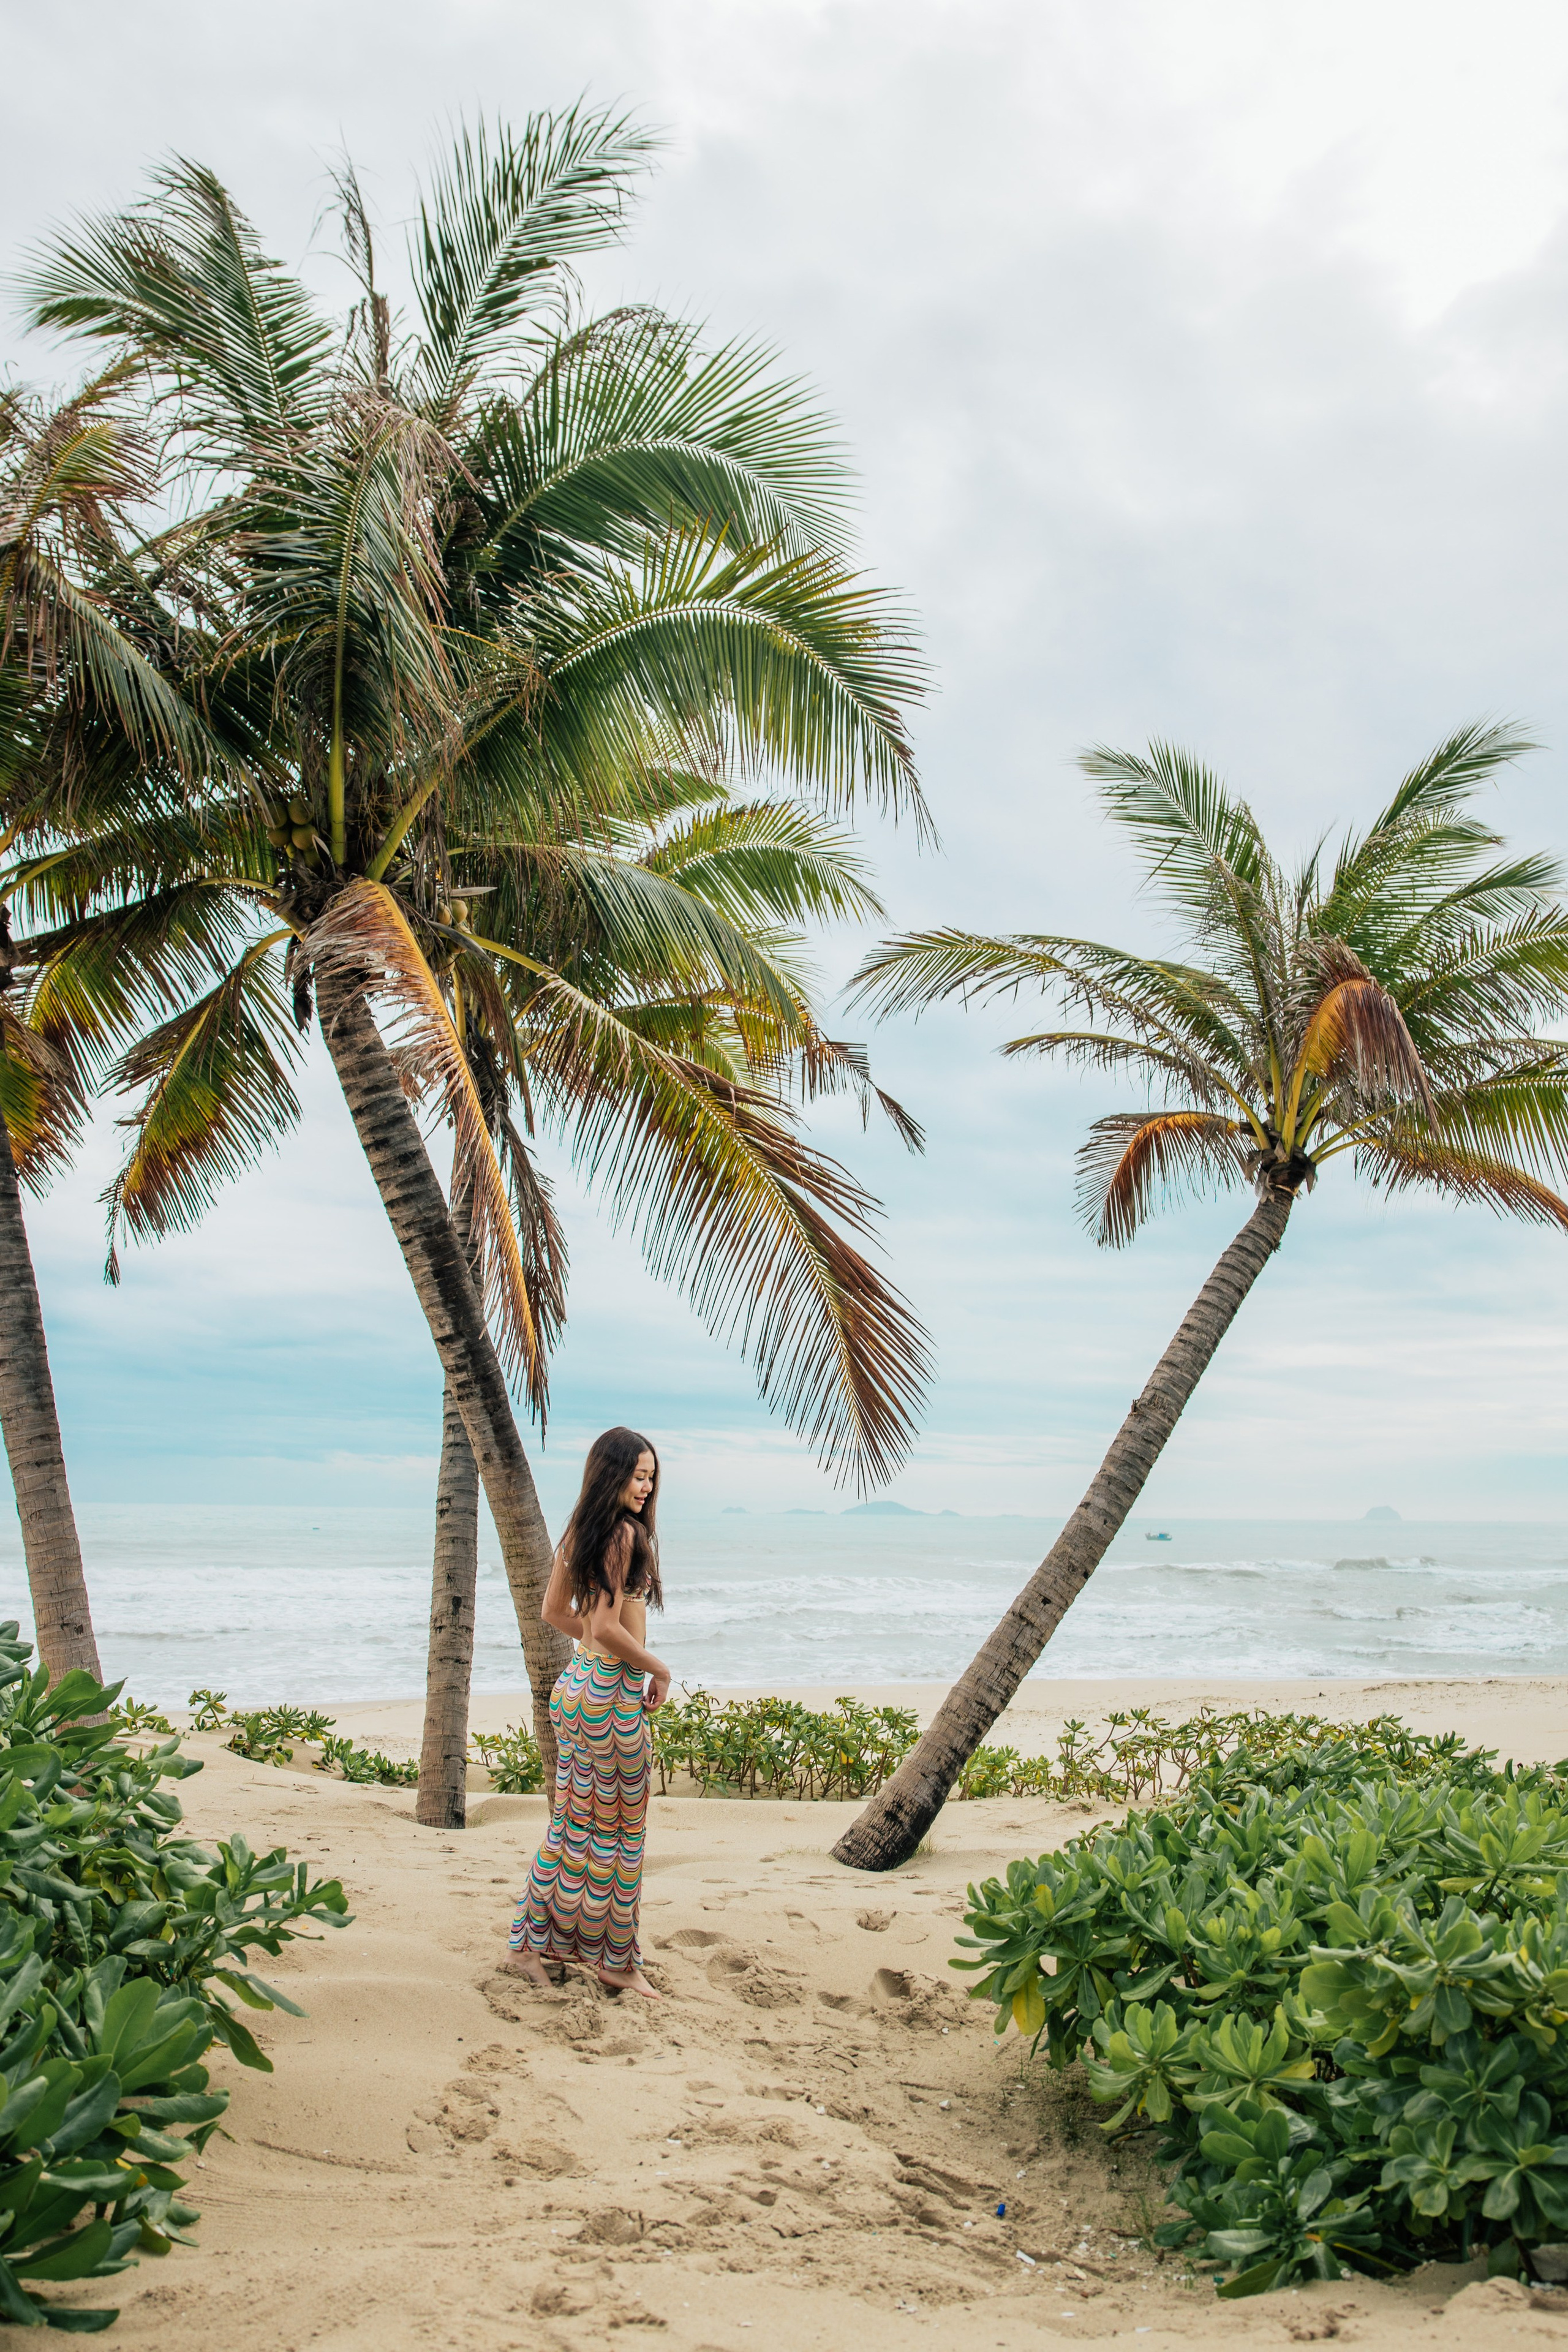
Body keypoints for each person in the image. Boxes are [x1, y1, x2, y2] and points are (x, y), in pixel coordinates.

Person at [504, 1428, 671, 1997]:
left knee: (572, 1828)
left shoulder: (582, 1525)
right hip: (611, 1699)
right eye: (637, 1475)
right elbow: (604, 1626)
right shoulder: (623, 1533)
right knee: (623, 1836)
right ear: (612, 1474)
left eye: (651, 1476)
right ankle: (617, 1962)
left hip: (575, 1687)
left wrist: (600, 1650)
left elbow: (555, 1612)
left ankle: (528, 1946)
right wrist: (658, 1668)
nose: (646, 1487)